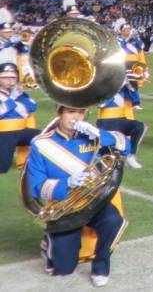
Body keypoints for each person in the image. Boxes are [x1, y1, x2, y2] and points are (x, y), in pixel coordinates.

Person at [25, 103, 130, 286]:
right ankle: (49, 242)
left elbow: (125, 146)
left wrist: (99, 134)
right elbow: (36, 187)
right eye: (70, 111)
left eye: (81, 112)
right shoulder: (41, 144)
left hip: (93, 203)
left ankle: (101, 265)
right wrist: (67, 183)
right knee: (62, 269)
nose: (76, 117)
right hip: (64, 206)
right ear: (59, 113)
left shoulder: (93, 136)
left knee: (114, 220)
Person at [96, 79, 145, 169]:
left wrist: (130, 87)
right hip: (106, 123)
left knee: (139, 126)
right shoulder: (104, 88)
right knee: (105, 153)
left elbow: (135, 100)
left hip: (121, 120)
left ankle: (130, 156)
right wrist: (115, 89)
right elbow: (101, 104)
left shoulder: (123, 89)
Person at [0, 62, 40, 173]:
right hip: (4, 134)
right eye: (5, 77)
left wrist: (12, 100)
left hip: (22, 131)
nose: (10, 80)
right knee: (2, 168)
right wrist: (12, 100)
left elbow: (32, 106)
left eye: (13, 77)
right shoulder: (15, 96)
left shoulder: (19, 94)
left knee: (44, 137)